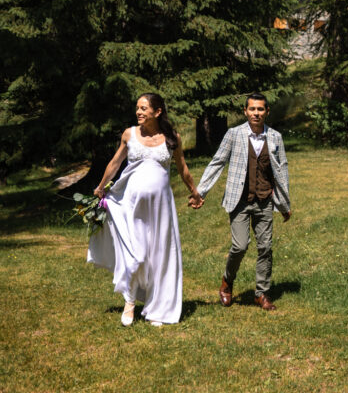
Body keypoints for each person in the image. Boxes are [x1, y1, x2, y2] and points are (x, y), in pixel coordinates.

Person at [87, 93, 202, 326]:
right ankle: (129, 302)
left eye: (143, 108)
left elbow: (183, 168)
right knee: (135, 252)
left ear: (157, 112)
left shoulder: (172, 138)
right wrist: (100, 188)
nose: (138, 112)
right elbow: (115, 163)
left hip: (161, 209)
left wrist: (194, 191)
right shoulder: (130, 134)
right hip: (132, 205)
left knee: (160, 254)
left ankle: (159, 308)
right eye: (137, 108)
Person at [191, 92, 291, 311]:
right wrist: (201, 192)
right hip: (239, 201)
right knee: (240, 245)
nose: (256, 113)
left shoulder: (275, 137)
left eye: (260, 109)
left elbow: (281, 172)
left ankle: (261, 294)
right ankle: (227, 281)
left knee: (265, 247)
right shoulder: (234, 134)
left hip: (265, 200)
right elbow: (217, 163)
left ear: (267, 112)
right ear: (245, 111)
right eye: (252, 109)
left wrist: (284, 205)